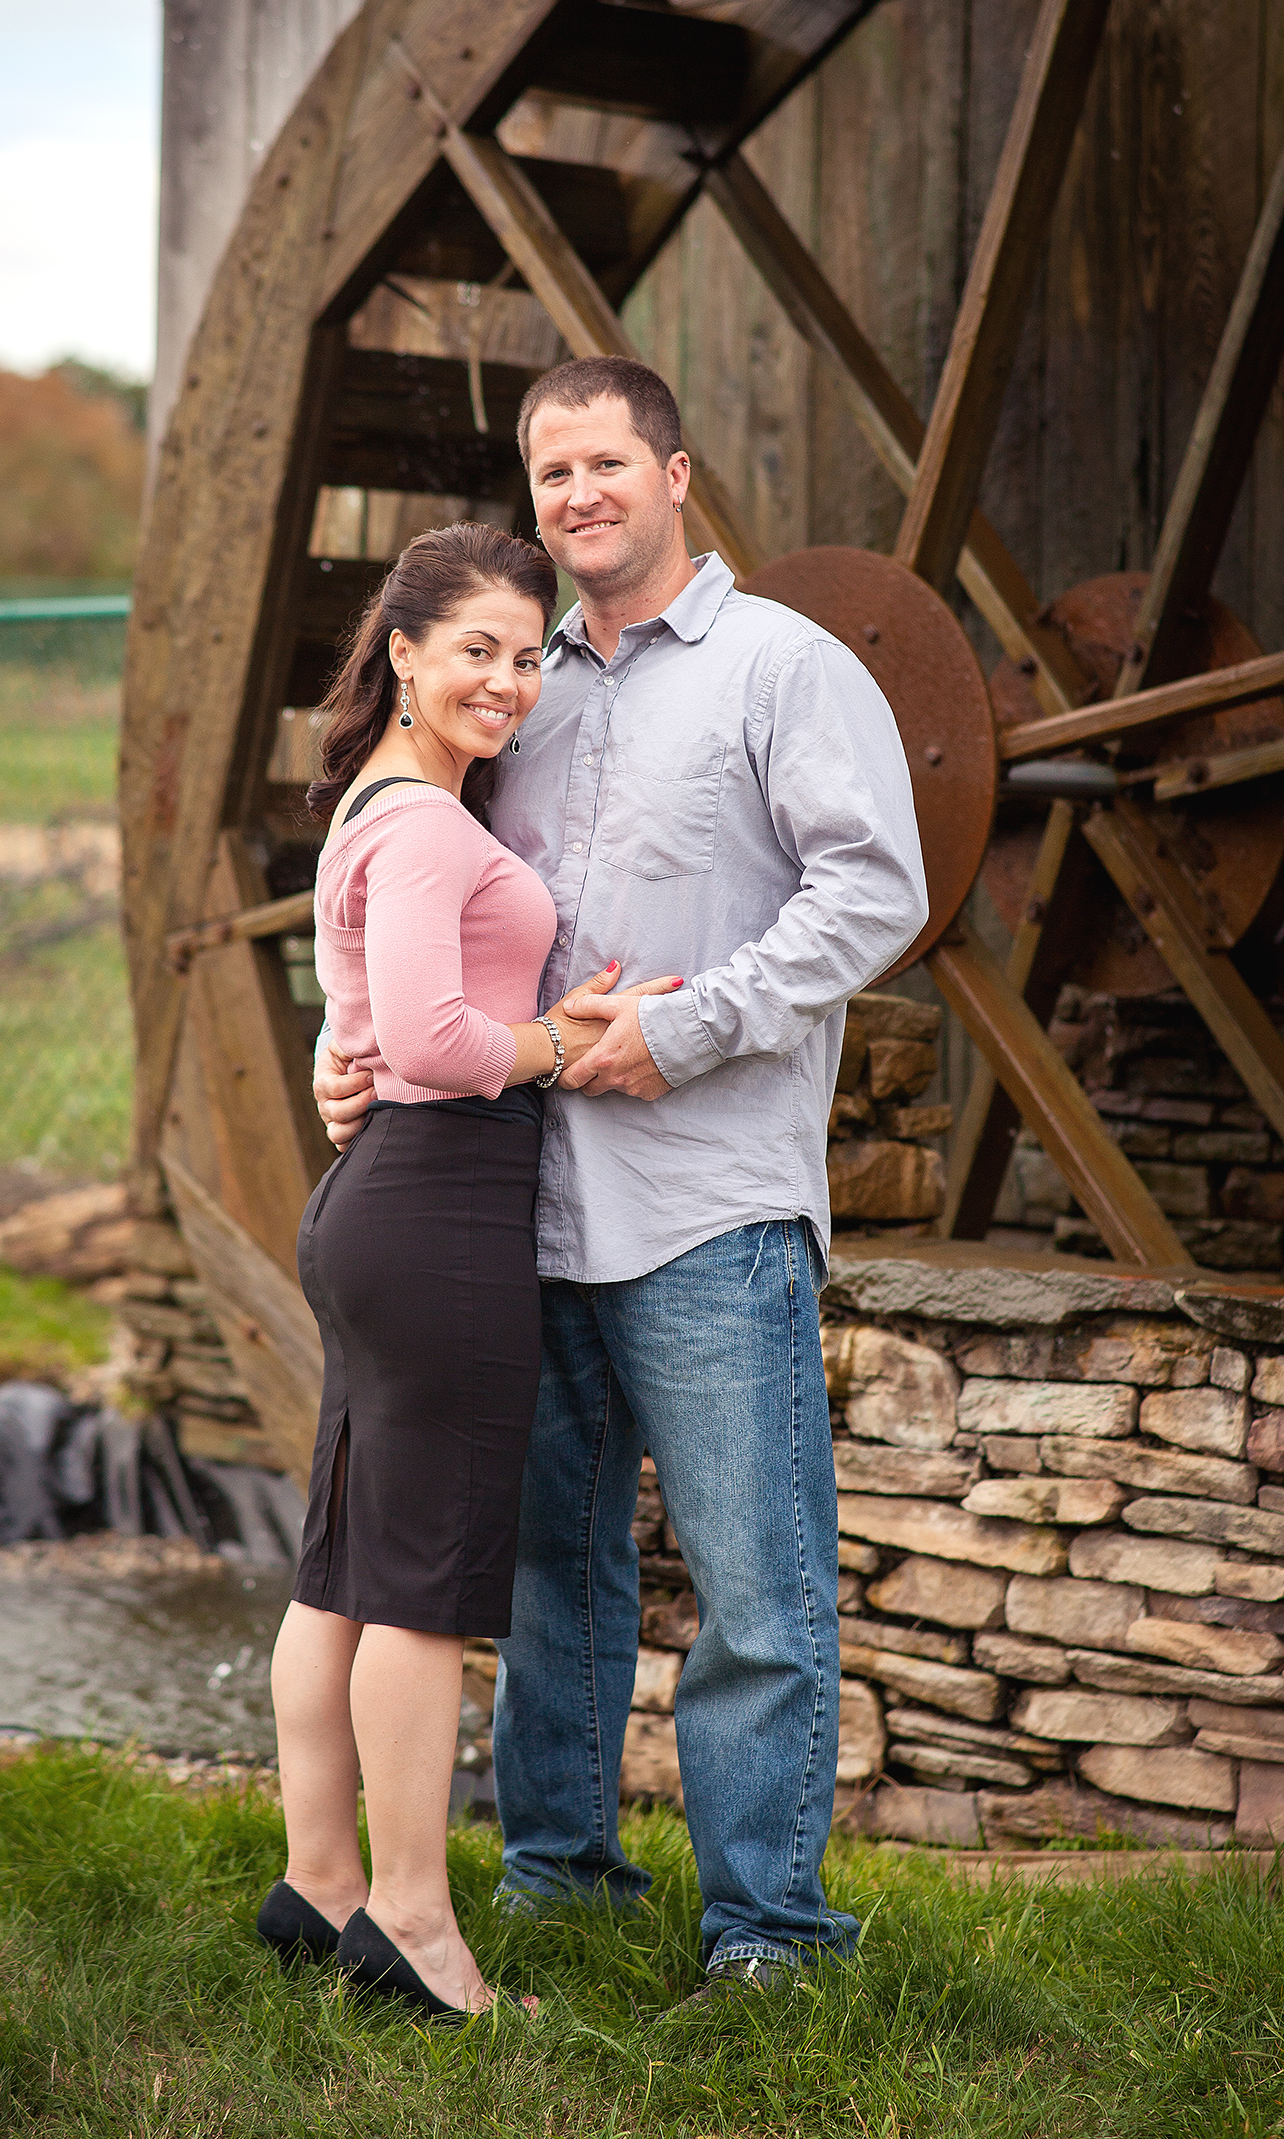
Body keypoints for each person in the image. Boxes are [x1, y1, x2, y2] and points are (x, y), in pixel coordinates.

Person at [319, 357, 929, 1996]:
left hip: (709, 1201)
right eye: (549, 474)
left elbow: (879, 896)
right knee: (547, 1579)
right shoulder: (525, 686)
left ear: (675, 470)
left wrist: (697, 1027)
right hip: (519, 1202)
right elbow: (413, 891)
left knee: (757, 1589)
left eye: (605, 463)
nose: (577, 496)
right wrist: (356, 1041)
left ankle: (771, 1933)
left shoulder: (784, 668)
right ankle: (557, 1882)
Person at [259, 520, 682, 2021]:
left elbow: (379, 1009)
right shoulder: (432, 824)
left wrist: (522, 1018)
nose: (506, 681)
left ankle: (319, 1886)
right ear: (403, 654)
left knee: (343, 1572)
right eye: (476, 652)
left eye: (524, 653)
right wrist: (567, 1042)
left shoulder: (378, 806)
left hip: (379, 1210)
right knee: (422, 1592)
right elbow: (437, 1049)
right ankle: (415, 1924)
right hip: (438, 1217)